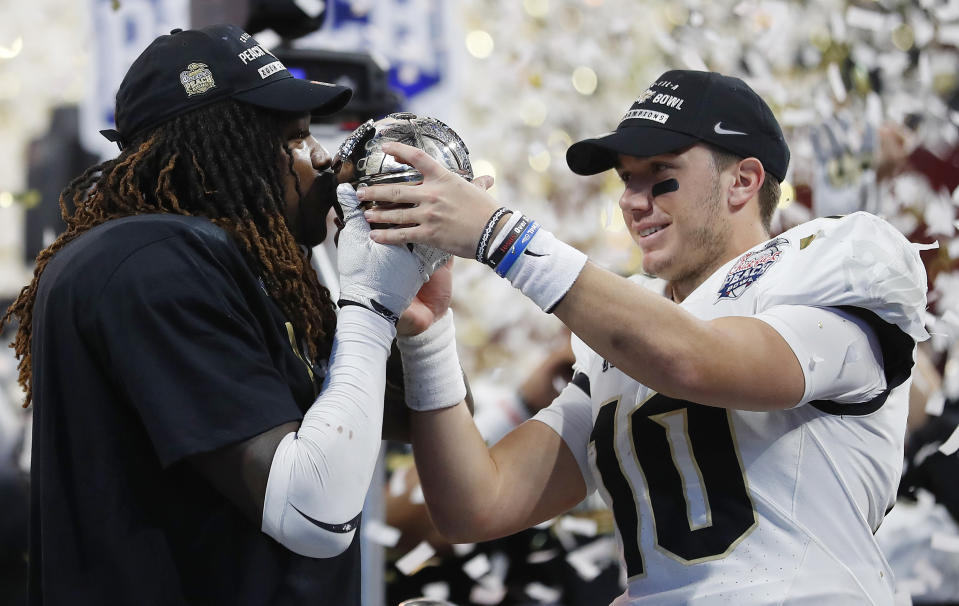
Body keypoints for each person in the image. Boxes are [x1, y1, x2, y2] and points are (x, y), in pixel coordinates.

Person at [345, 69, 931, 603]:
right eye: (628, 180)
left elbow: (697, 361)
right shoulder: (626, 332)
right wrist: (428, 333)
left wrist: (502, 237)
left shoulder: (823, 259)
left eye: (662, 177)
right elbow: (476, 504)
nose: (632, 200)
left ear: (743, 182)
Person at [2, 24, 441, 605]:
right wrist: (366, 298)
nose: (321, 160)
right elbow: (315, 513)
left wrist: (421, 303)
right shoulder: (152, 262)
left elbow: (408, 423)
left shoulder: (239, 265)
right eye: (293, 141)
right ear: (212, 156)